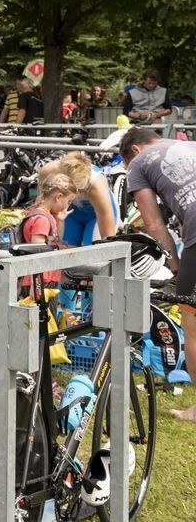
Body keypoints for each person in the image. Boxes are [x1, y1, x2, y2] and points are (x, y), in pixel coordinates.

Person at [119, 127, 196, 421]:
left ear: (134, 150)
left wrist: (174, 264)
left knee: (192, 325)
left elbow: (153, 225)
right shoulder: (190, 145)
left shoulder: (138, 163)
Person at [39, 151, 119, 246]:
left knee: (92, 251)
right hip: (71, 212)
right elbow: (41, 205)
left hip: (95, 216)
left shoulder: (97, 187)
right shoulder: (48, 171)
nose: (77, 194)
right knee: (64, 248)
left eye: (81, 190)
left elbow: (108, 238)